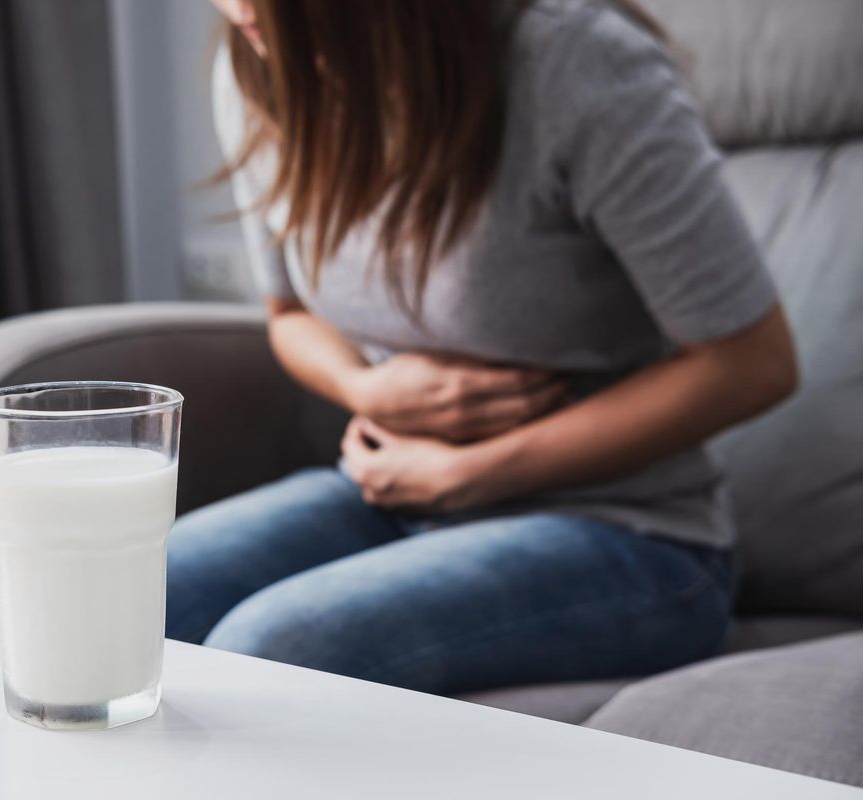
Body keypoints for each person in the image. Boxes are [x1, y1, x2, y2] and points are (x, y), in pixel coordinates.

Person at [165, 0, 797, 697]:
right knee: (114, 598)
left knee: (266, 652)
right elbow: (287, 313)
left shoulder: (576, 64)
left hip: (629, 534)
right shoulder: (263, 61)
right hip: (390, 495)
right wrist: (364, 390)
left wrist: (475, 473)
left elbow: (754, 362)